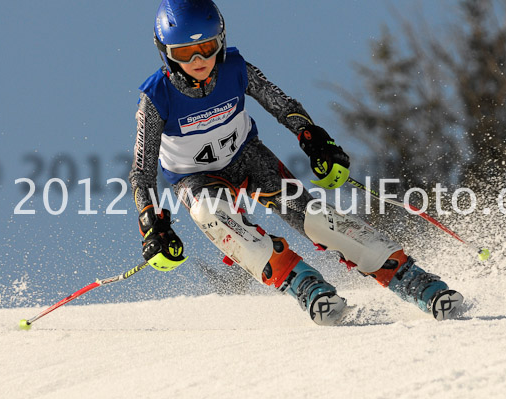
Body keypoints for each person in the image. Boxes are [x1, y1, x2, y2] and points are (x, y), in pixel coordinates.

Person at [129, 0, 463, 325]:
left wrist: (314, 139)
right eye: (186, 53)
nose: (200, 59)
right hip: (195, 177)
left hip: (247, 158)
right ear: (167, 54)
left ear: (222, 40)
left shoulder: (235, 68)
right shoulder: (156, 97)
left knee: (315, 218)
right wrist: (152, 225)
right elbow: (141, 173)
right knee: (211, 215)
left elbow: (282, 103)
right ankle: (303, 284)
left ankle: (410, 277)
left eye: (209, 46)